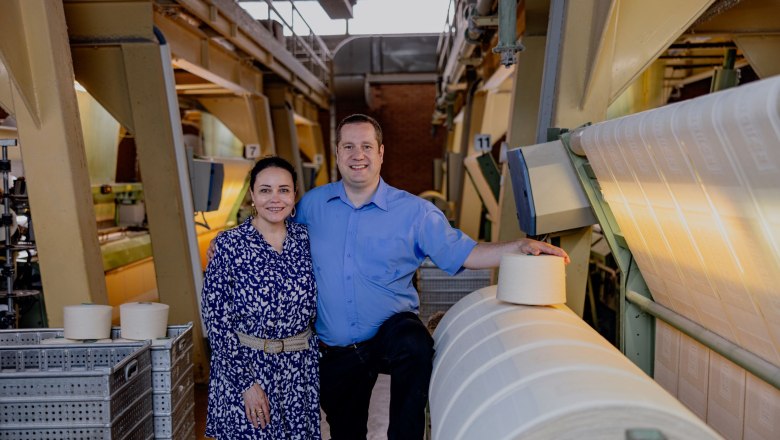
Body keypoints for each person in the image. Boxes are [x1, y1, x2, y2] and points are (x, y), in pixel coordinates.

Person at [297, 114, 570, 439]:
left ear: (381, 153)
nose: (359, 155)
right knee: (346, 432)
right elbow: (273, 241)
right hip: (337, 345)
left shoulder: (415, 212)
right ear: (338, 153)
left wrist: (519, 246)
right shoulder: (312, 206)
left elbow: (465, 253)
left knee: (415, 345)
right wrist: (226, 247)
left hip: (389, 331)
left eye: (367, 146)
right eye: (349, 146)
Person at [201, 156, 320, 439]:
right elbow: (216, 323)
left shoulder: (309, 240)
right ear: (252, 195)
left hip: (298, 373)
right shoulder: (229, 246)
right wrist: (246, 384)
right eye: (265, 190)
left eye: (283, 190)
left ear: (294, 196)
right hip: (246, 369)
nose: (274, 198)